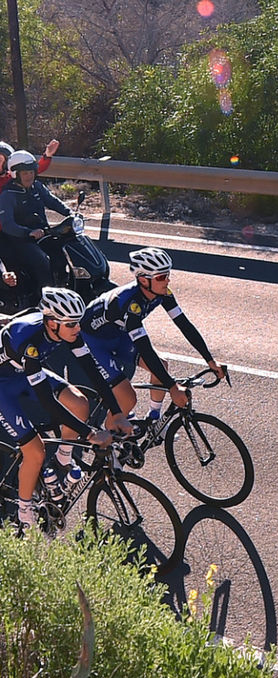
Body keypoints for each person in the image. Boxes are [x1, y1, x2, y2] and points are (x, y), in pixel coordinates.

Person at [0, 288, 120, 528]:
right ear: (52, 323)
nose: (77, 329)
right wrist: (90, 434)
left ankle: (62, 460)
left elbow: (92, 371)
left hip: (21, 374)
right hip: (3, 386)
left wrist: (116, 412)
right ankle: (24, 513)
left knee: (80, 403)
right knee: (35, 451)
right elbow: (47, 401)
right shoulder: (29, 342)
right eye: (71, 324)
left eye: (78, 322)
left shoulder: (67, 331)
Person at [79, 247, 226, 430]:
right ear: (143, 280)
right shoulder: (129, 303)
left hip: (118, 335)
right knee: (127, 398)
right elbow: (144, 347)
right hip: (94, 342)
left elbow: (184, 325)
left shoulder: (162, 293)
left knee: (161, 366)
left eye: (168, 275)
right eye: (161, 277)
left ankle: (153, 420)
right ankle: (110, 442)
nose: (167, 280)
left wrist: (210, 360)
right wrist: (172, 387)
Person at [0, 150, 71, 308]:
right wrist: (28, 233)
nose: (29, 176)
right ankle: (46, 301)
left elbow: (52, 201)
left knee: (64, 251)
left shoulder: (37, 187)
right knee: (42, 261)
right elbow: (7, 224)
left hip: (43, 234)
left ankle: (67, 287)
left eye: (31, 172)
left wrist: (70, 212)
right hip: (20, 240)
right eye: (25, 173)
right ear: (15, 174)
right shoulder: (8, 194)